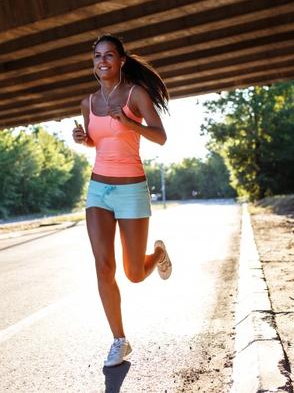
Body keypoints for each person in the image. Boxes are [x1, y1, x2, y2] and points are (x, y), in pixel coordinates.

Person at [72, 34, 172, 367]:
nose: (103, 61)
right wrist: (83, 138)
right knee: (103, 267)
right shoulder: (87, 103)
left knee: (132, 272)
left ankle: (157, 253)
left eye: (109, 55)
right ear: (94, 62)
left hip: (131, 189)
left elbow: (160, 136)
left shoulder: (135, 94)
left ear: (121, 60)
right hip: (98, 190)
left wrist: (130, 122)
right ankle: (119, 339)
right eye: (98, 56)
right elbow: (97, 142)